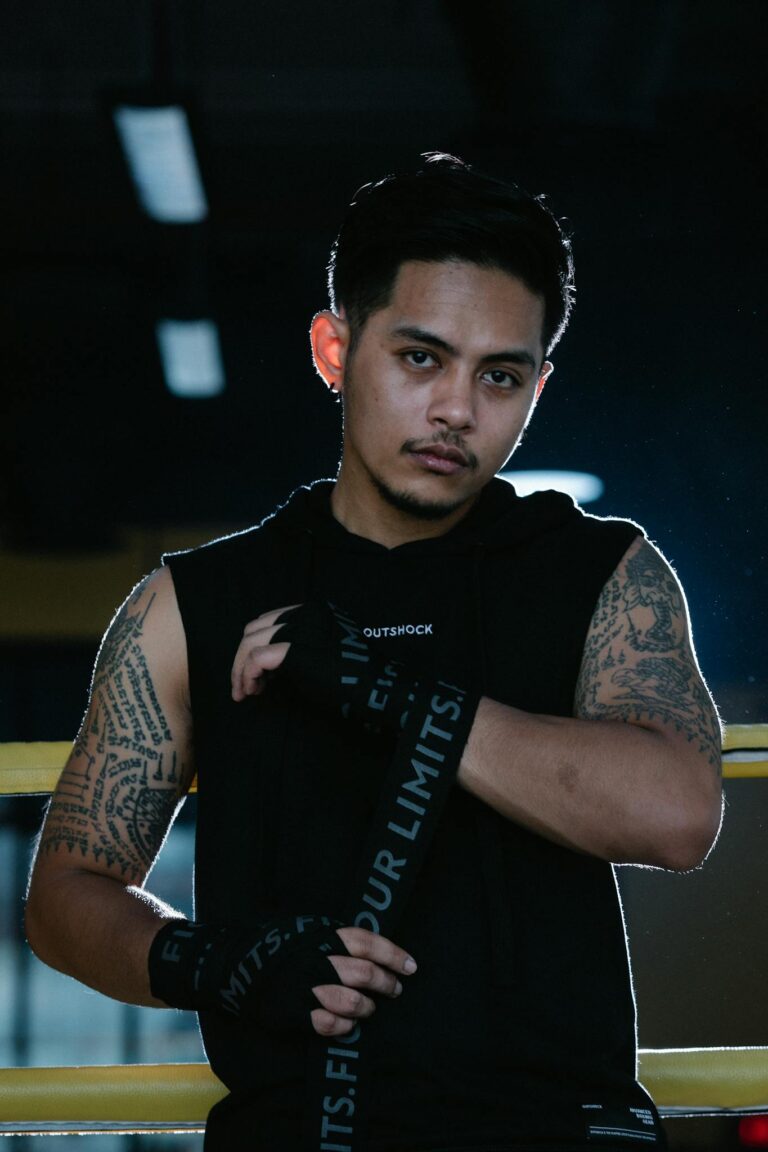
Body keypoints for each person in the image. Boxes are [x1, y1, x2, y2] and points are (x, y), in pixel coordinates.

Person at [25, 152, 723, 1152]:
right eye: (420, 358)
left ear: (539, 386)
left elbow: (677, 816)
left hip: (556, 1132)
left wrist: (391, 693)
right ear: (333, 349)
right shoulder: (198, 604)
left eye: (501, 375)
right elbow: (64, 897)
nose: (457, 410)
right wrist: (214, 962)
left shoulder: (601, 572)